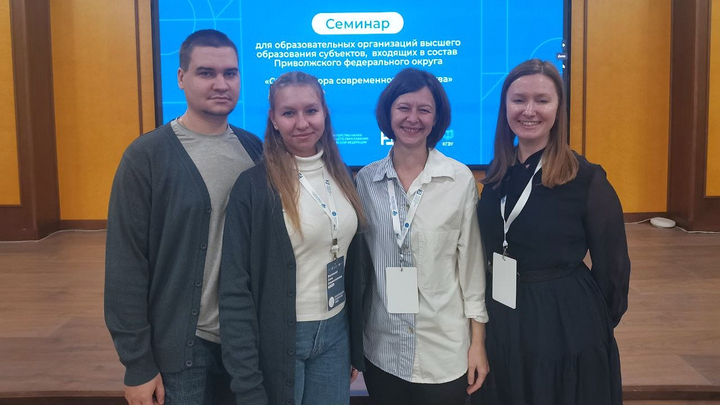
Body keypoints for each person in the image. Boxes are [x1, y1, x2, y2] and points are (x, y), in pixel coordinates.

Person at [104, 29, 262, 405]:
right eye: (206, 72)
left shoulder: (255, 150)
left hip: (244, 344)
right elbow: (125, 264)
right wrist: (137, 364)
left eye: (230, 73)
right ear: (181, 77)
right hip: (181, 349)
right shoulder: (146, 157)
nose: (221, 84)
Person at [473, 59, 631, 405]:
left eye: (542, 100)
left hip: (563, 322)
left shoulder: (587, 179)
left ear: (558, 109)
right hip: (503, 316)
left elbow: (614, 269)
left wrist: (587, 324)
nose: (529, 110)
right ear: (505, 107)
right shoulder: (497, 176)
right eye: (519, 100)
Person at [219, 71, 370, 405]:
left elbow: (352, 267)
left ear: (324, 113)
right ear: (274, 119)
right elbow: (234, 288)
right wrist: (245, 378)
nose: (302, 123)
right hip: (281, 336)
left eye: (311, 111)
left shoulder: (343, 176)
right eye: (289, 113)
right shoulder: (253, 187)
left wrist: (353, 346)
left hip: (335, 332)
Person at [354, 68, 489, 405]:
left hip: (443, 351)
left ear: (437, 117)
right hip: (382, 348)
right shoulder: (365, 182)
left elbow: (471, 268)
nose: (412, 118)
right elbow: (361, 272)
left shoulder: (458, 179)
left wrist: (478, 343)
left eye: (424, 109)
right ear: (388, 113)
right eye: (403, 107)